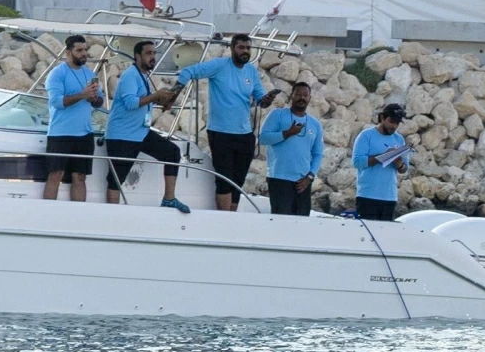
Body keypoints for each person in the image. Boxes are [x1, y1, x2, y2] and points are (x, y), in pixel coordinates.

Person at [171, 34, 279, 211]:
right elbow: (188, 71)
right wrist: (173, 93)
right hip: (221, 133)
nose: (245, 51)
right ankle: (224, 218)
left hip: (244, 134)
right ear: (232, 49)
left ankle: (231, 217)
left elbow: (260, 100)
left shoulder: (251, 71)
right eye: (241, 47)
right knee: (224, 179)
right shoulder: (220, 65)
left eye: (248, 48)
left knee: (238, 181)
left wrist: (268, 98)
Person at [104, 40, 190, 212]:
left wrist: (162, 100)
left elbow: (143, 100)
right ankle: (112, 215)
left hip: (140, 132)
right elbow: (131, 103)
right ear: (137, 56)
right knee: (116, 179)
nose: (153, 57)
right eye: (149, 53)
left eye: (154, 53)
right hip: (122, 136)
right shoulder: (130, 75)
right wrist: (155, 95)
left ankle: (169, 198)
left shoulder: (143, 75)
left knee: (172, 152)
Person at [43, 34, 104, 201]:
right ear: (69, 52)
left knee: (80, 177)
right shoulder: (57, 74)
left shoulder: (89, 73)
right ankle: (46, 215)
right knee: (56, 175)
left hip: (84, 134)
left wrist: (93, 98)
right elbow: (56, 102)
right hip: (60, 133)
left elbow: (100, 101)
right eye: (79, 50)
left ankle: (79, 215)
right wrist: (82, 95)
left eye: (85, 49)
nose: (84, 53)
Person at [258, 81, 324, 216]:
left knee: (301, 224)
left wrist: (310, 177)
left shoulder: (315, 124)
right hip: (279, 178)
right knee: (280, 223)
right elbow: (263, 138)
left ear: (310, 98)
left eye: (305, 95)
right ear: (291, 96)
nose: (302, 97)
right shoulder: (277, 115)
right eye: (298, 94)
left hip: (303, 182)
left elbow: (318, 153)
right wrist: (287, 133)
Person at [351, 102, 410, 221]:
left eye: (397, 123)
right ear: (382, 118)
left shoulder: (399, 139)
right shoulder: (366, 136)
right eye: (391, 121)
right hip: (367, 196)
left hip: (390, 197)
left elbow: (405, 168)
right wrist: (384, 156)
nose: (394, 126)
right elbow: (357, 162)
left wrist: (399, 165)